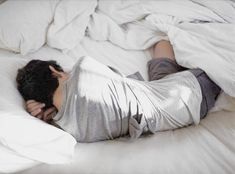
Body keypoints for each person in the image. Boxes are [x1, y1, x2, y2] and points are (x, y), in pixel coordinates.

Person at [16, 40, 221, 142]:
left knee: (161, 46)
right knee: (206, 53)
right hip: (189, 93)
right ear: (54, 70)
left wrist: (47, 113)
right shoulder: (84, 68)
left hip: (162, 95)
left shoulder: (67, 129)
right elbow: (116, 76)